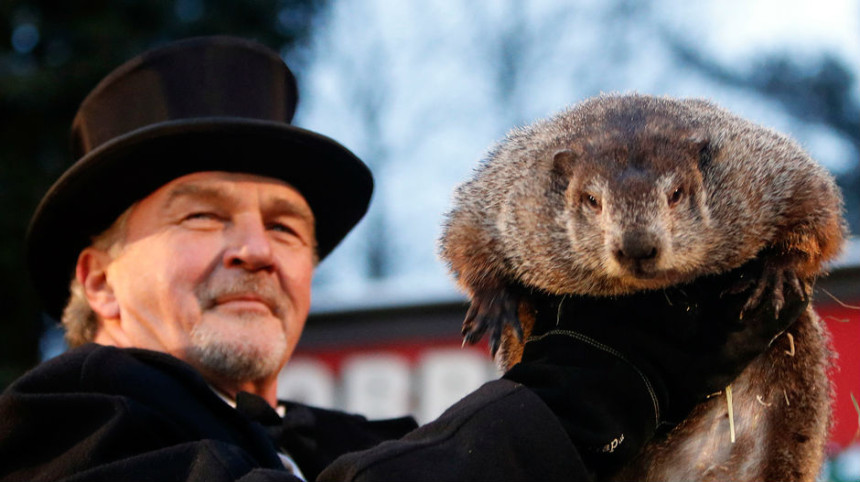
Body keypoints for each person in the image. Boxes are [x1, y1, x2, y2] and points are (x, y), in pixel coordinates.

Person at [0, 36, 807, 482]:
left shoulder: (349, 444)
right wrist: (597, 388)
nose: (253, 250)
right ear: (98, 279)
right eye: (202, 216)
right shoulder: (61, 433)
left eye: (285, 227)